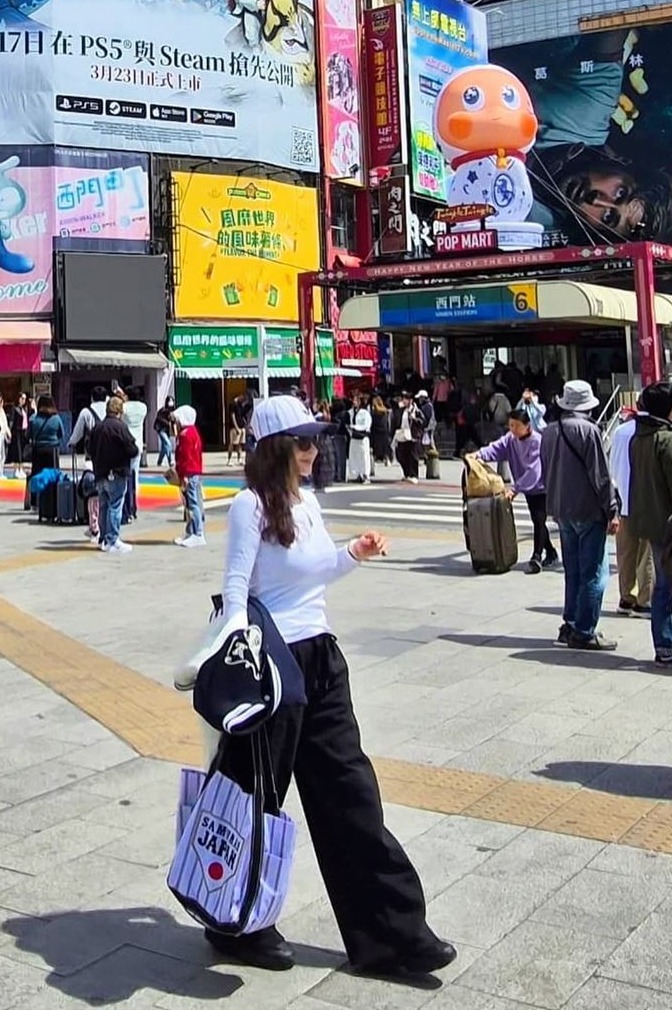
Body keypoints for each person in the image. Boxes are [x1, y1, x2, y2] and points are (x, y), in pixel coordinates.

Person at [189, 394, 455, 974]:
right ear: (277, 448)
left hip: (322, 660)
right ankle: (236, 922)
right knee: (253, 800)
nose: (316, 450)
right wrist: (230, 657)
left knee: (351, 795)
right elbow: (236, 590)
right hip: (270, 668)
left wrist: (353, 554)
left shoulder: (306, 501)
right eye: (305, 442)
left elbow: (318, 572)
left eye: (317, 440)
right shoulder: (247, 507)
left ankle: (394, 935)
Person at [541, 379, 619, 651]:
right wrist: (612, 509)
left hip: (561, 508)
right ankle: (585, 630)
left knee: (572, 569)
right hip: (587, 509)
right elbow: (601, 475)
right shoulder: (589, 431)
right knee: (594, 572)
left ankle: (571, 622)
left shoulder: (549, 432)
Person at [628, 382, 672, 667]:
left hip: (652, 522)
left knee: (664, 584)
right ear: (671, 407)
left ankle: (667, 642)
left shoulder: (640, 437)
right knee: (669, 585)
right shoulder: (668, 441)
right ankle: (668, 644)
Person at [473, 408, 558, 574]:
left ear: (527, 426)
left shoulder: (537, 441)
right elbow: (496, 449)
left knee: (539, 519)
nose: (513, 429)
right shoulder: (510, 439)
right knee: (537, 520)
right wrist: (478, 455)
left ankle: (537, 556)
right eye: (511, 425)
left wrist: (515, 489)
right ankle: (551, 551)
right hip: (527, 487)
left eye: (516, 425)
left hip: (542, 486)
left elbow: (534, 470)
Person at [608, 406, 653, 617]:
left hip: (621, 498)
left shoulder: (620, 430)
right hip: (643, 501)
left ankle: (626, 597)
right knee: (646, 553)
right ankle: (644, 600)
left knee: (625, 553)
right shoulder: (650, 432)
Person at [88, 395, 138, 554]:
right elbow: (132, 449)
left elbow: (89, 448)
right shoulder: (120, 427)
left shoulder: (98, 427)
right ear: (120, 410)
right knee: (116, 506)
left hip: (100, 473)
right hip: (116, 472)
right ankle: (113, 539)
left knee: (103, 506)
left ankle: (103, 538)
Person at [173, 405, 205, 548]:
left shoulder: (185, 435)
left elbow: (185, 456)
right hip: (193, 471)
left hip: (188, 472)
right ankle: (191, 532)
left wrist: (183, 475)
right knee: (191, 503)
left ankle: (197, 533)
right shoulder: (193, 432)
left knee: (192, 503)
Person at [28, 395, 64, 491]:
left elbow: (28, 435)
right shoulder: (56, 418)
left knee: (36, 474)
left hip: (38, 450)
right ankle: (52, 497)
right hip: (52, 450)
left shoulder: (33, 418)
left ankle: (35, 500)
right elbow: (61, 434)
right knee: (53, 474)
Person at [122, 387, 148, 523]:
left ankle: (127, 506)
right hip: (138, 443)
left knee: (125, 475)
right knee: (135, 474)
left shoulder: (125, 407)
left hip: (126, 443)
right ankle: (134, 506)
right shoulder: (143, 407)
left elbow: (121, 416)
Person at [68, 386, 107, 463]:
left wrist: (72, 442)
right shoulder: (111, 410)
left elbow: (78, 431)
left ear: (92, 398)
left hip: (92, 450)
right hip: (109, 447)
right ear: (106, 398)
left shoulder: (86, 412)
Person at [394, 391, 423, 482]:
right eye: (403, 399)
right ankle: (406, 473)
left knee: (412, 456)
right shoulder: (401, 410)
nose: (404, 401)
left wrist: (413, 418)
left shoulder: (416, 410)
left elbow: (422, 422)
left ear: (410, 400)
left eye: (406, 399)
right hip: (402, 434)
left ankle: (413, 475)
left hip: (412, 435)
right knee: (401, 455)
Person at [347, 394, 372, 484]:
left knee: (364, 457)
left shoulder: (365, 413)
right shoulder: (351, 412)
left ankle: (366, 475)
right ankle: (356, 474)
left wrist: (355, 427)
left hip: (362, 437)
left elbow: (366, 425)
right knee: (354, 456)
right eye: (353, 401)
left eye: (356, 401)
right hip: (354, 436)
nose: (354, 402)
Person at [7, 392, 30, 479]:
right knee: (18, 451)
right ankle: (17, 469)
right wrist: (9, 430)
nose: (23, 400)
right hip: (17, 431)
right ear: (18, 399)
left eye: (24, 399)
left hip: (23, 432)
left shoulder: (24, 409)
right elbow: (12, 420)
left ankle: (21, 469)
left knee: (22, 451)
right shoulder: (15, 408)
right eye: (22, 398)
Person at [455, 392, 483, 456]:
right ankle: (458, 452)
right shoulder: (468, 407)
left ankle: (459, 452)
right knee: (469, 438)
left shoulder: (466, 406)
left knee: (471, 438)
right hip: (465, 425)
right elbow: (468, 415)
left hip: (464, 425)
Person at [227, 393, 249, 467]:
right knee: (233, 443)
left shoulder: (240, 404)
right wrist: (236, 427)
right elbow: (232, 416)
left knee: (240, 444)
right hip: (235, 428)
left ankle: (239, 459)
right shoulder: (233, 404)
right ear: (240, 396)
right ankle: (229, 460)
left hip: (241, 426)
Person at [369, 395, 392, 466]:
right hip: (384, 430)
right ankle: (387, 459)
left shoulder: (373, 412)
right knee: (385, 446)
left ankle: (375, 459)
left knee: (376, 446)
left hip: (376, 430)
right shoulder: (385, 411)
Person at [154, 396, 175, 467]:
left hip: (167, 431)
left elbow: (173, 421)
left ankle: (159, 462)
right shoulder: (163, 410)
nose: (171, 402)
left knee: (164, 447)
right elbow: (159, 418)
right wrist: (167, 423)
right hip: (161, 429)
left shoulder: (172, 411)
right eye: (170, 401)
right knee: (168, 444)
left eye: (172, 401)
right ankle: (170, 460)